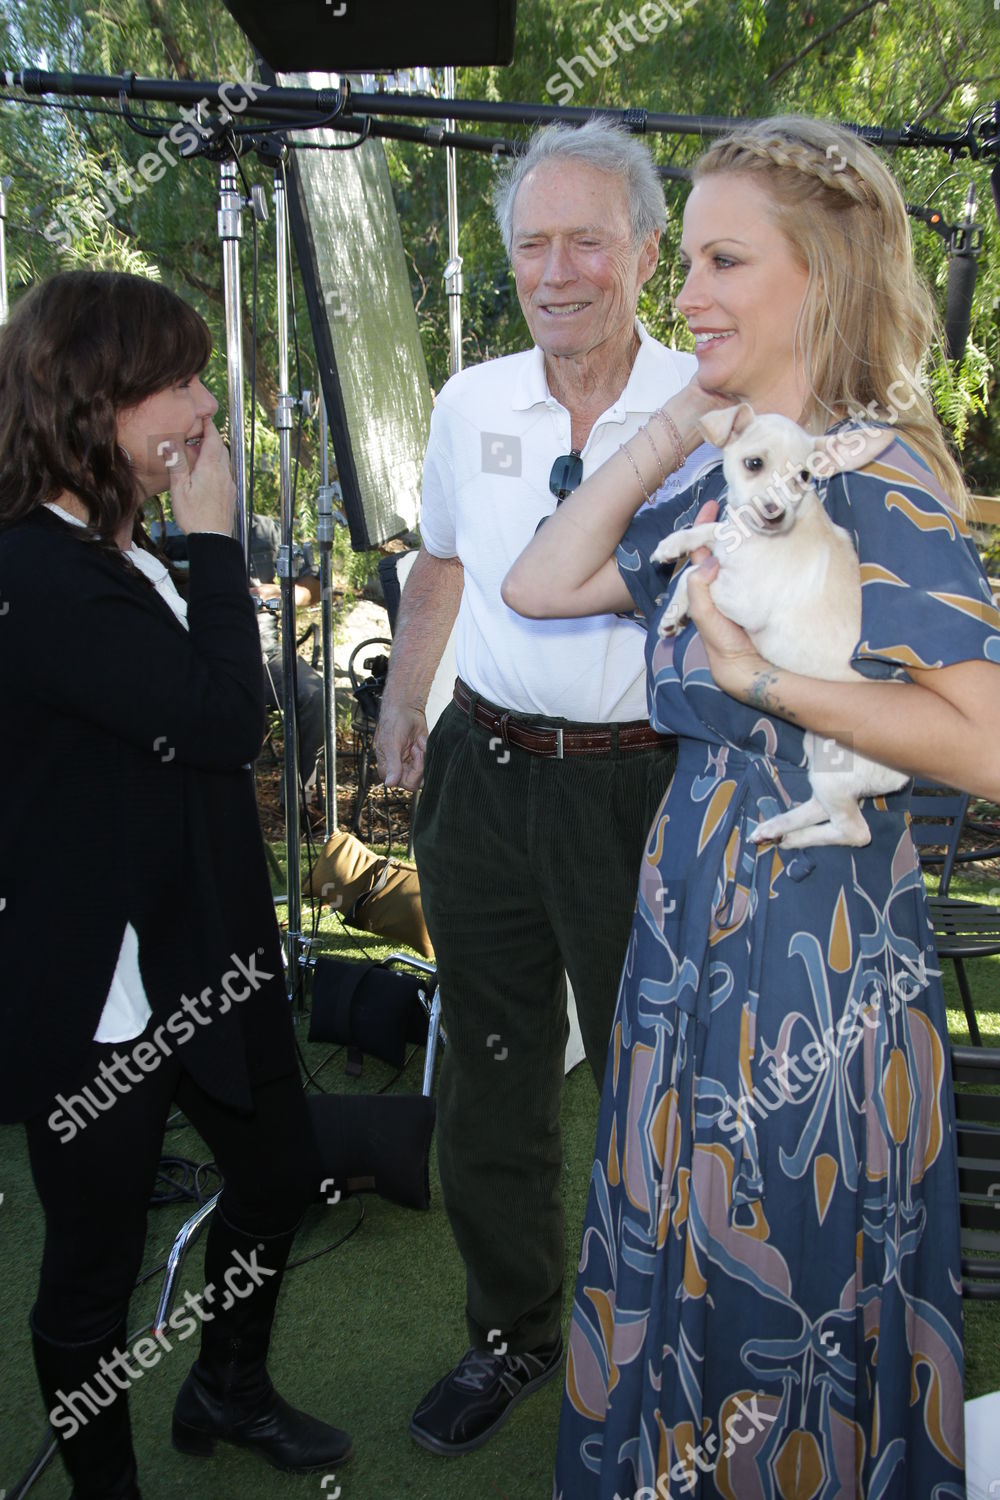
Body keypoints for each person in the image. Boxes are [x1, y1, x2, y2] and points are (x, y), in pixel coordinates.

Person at [502, 113, 1000, 1499]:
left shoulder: (873, 477)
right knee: (672, 1246)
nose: (687, 296)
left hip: (815, 956)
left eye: (724, 261)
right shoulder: (730, 472)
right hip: (688, 924)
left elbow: (988, 746)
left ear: (820, 283)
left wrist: (766, 680)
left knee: (787, 1280)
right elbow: (541, 582)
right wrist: (680, 417)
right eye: (690, 264)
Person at [374, 117, 709, 1456]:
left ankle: (675, 1340)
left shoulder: (713, 397)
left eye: (586, 239)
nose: (556, 269)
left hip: (652, 790)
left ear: (645, 246)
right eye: (531, 244)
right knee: (492, 1077)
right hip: (487, 771)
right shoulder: (471, 401)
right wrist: (407, 700)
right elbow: (444, 565)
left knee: (667, 1082)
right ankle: (511, 1333)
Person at [0, 270, 351, 1499]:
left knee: (276, 1180)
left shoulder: (120, 549)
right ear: (90, 401)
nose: (207, 402)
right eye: (181, 379)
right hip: (99, 1001)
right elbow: (223, 721)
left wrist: (186, 543)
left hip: (207, 955)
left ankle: (228, 1385)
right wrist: (215, 535)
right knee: (90, 1276)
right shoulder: (37, 574)